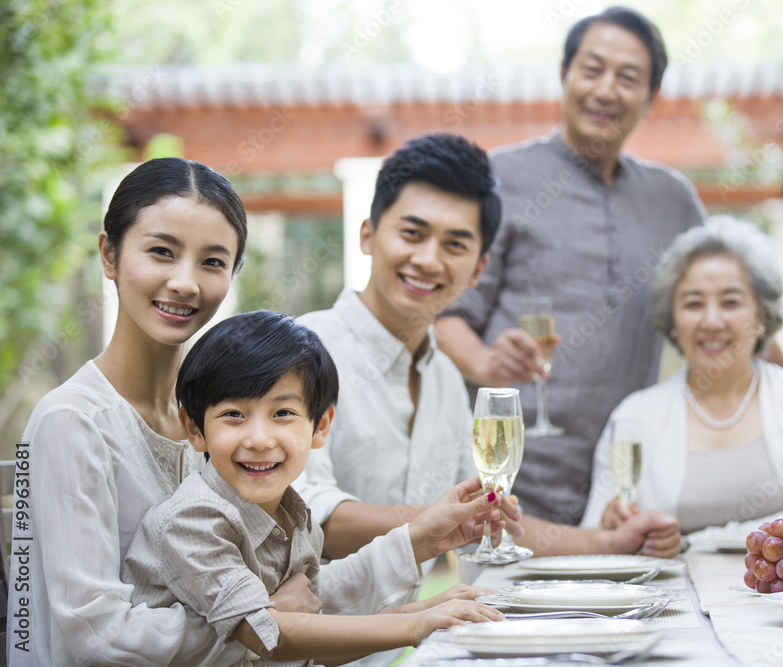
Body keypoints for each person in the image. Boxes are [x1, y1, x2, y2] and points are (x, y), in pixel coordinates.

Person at [6, 158, 495, 667]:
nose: (185, 283)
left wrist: (419, 542)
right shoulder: (73, 420)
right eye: (160, 252)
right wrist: (260, 622)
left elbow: (302, 598)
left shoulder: (226, 417)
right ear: (109, 253)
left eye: (212, 262)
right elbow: (96, 636)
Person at [293, 133, 680, 571]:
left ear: (478, 268)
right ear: (368, 235)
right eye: (412, 233)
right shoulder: (301, 353)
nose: (428, 259)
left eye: (455, 245)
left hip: (404, 640)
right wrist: (442, 520)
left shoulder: (444, 379)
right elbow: (304, 513)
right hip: (301, 635)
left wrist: (611, 542)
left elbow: (485, 515)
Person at [435, 6, 707, 526]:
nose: (607, 90)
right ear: (563, 76)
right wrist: (488, 363)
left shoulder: (673, 200)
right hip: (507, 479)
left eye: (629, 77)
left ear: (651, 98)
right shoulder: (499, 179)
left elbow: (735, 309)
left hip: (626, 479)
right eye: (592, 69)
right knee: (497, 611)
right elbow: (445, 316)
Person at [122, 311, 502, 666]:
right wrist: (412, 626)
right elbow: (268, 636)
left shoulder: (295, 514)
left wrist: (428, 610)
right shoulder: (195, 518)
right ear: (194, 428)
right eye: (233, 415)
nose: (258, 439)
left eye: (282, 413)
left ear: (320, 426)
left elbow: (316, 625)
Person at [580, 216, 783, 542]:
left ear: (761, 316)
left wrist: (694, 543)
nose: (712, 321)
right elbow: (594, 532)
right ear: (673, 321)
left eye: (731, 302)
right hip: (667, 593)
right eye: (693, 304)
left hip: (779, 592)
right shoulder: (633, 415)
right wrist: (611, 523)